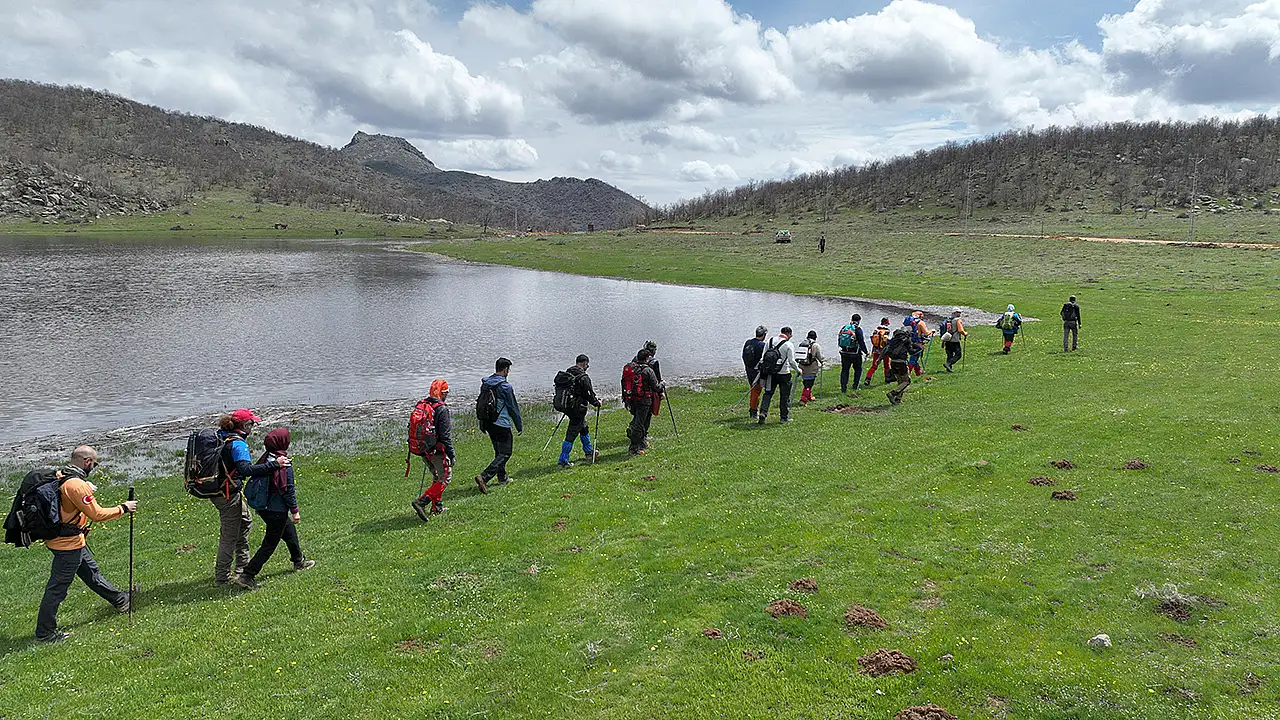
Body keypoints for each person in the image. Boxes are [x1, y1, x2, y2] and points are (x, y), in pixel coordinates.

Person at [34, 446, 137, 642]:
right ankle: (45, 633)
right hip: (67, 545)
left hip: (65, 540)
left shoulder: (61, 475)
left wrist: (85, 487)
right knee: (57, 589)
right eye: (94, 464)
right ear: (87, 462)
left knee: (91, 573)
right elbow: (96, 514)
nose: (94, 467)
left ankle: (121, 600)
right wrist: (123, 508)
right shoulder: (76, 485)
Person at [231, 428, 315, 589]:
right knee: (269, 544)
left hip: (264, 508)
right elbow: (288, 490)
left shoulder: (265, 459)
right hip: (276, 511)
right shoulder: (284, 464)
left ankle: (298, 560)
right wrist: (295, 511)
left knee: (289, 531)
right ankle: (248, 575)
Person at [213, 409, 288, 585]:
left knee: (245, 521)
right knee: (229, 536)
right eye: (252, 423)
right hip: (227, 494)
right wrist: (274, 465)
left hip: (221, 490)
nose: (253, 426)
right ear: (245, 425)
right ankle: (222, 578)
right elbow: (246, 470)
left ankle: (242, 568)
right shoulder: (238, 444)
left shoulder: (222, 435)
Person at [476, 358, 523, 493]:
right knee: (506, 452)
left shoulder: (485, 384)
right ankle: (484, 477)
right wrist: (519, 425)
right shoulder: (505, 387)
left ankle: (502, 478)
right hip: (501, 423)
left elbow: (482, 403)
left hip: (488, 422)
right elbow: (513, 408)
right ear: (505, 369)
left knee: (499, 452)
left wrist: (482, 423)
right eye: (508, 369)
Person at [411, 379, 455, 520]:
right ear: (442, 393)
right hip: (436, 450)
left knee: (437, 476)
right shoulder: (442, 409)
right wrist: (451, 454)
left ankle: (437, 508)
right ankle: (422, 501)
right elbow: (445, 436)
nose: (447, 395)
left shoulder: (424, 404)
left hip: (423, 449)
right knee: (445, 477)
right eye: (446, 392)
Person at [558, 355, 602, 468]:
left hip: (569, 407)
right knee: (571, 433)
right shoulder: (583, 377)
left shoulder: (568, 373)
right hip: (578, 409)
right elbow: (589, 394)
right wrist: (597, 402)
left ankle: (589, 452)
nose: (587, 367)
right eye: (587, 364)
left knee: (584, 427)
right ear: (584, 363)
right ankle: (563, 461)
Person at [624, 348, 663, 455]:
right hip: (644, 401)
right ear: (646, 359)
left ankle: (641, 441)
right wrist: (662, 384)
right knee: (640, 424)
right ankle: (634, 448)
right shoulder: (648, 371)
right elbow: (656, 387)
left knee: (640, 420)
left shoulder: (631, 369)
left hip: (632, 400)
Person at [758, 327, 800, 424]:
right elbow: (791, 361)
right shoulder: (788, 344)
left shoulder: (770, 341)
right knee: (784, 395)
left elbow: (763, 356)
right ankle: (783, 417)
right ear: (788, 334)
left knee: (768, 393)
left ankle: (763, 412)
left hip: (771, 373)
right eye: (791, 335)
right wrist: (798, 370)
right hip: (784, 373)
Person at [838, 314, 869, 394]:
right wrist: (866, 351)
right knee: (858, 369)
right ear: (859, 321)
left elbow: (839, 339)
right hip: (855, 353)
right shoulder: (857, 329)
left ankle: (843, 388)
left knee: (845, 370)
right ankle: (855, 385)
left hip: (844, 352)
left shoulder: (844, 328)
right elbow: (861, 341)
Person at [741, 326, 767, 418]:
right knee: (756, 390)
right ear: (764, 335)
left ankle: (754, 409)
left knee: (753, 389)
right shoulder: (762, 345)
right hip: (757, 371)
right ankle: (753, 411)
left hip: (749, 369)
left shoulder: (748, 342)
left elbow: (743, 355)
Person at [884, 328, 914, 405]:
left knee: (900, 382)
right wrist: (919, 349)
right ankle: (892, 393)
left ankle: (898, 399)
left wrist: (878, 360)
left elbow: (886, 350)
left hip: (893, 362)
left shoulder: (893, 340)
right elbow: (911, 352)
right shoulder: (906, 340)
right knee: (907, 381)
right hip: (901, 363)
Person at [796, 330, 825, 405]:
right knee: (809, 385)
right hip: (811, 368)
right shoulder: (815, 345)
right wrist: (823, 362)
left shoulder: (802, 344)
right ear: (815, 337)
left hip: (802, 367)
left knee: (806, 383)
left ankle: (809, 396)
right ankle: (803, 400)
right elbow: (820, 357)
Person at [863, 317, 892, 386]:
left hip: (876, 351)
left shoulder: (876, 330)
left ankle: (868, 379)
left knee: (874, 366)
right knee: (886, 366)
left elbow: (872, 339)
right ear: (886, 323)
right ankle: (887, 379)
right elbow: (887, 341)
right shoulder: (887, 330)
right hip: (884, 351)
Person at [904, 311, 933, 376]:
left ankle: (918, 372)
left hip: (911, 342)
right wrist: (932, 331)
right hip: (918, 343)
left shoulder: (912, 323)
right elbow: (926, 333)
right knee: (913, 359)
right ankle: (907, 373)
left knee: (915, 358)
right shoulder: (921, 323)